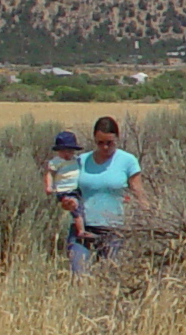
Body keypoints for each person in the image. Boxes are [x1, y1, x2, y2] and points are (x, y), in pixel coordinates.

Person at [74, 116, 145, 262]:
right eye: (100, 143)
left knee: (108, 271)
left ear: (117, 139)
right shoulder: (81, 161)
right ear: (94, 140)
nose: (105, 147)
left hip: (114, 229)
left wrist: (148, 215)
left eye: (109, 143)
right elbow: (70, 192)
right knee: (79, 272)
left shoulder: (128, 161)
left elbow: (138, 191)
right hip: (83, 227)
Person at [46, 129, 90, 271]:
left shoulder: (76, 161)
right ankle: (81, 231)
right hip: (64, 191)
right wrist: (49, 186)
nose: (67, 154)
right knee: (75, 208)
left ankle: (82, 227)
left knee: (81, 208)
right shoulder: (55, 162)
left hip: (75, 189)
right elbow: (49, 174)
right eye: (64, 151)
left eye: (70, 151)